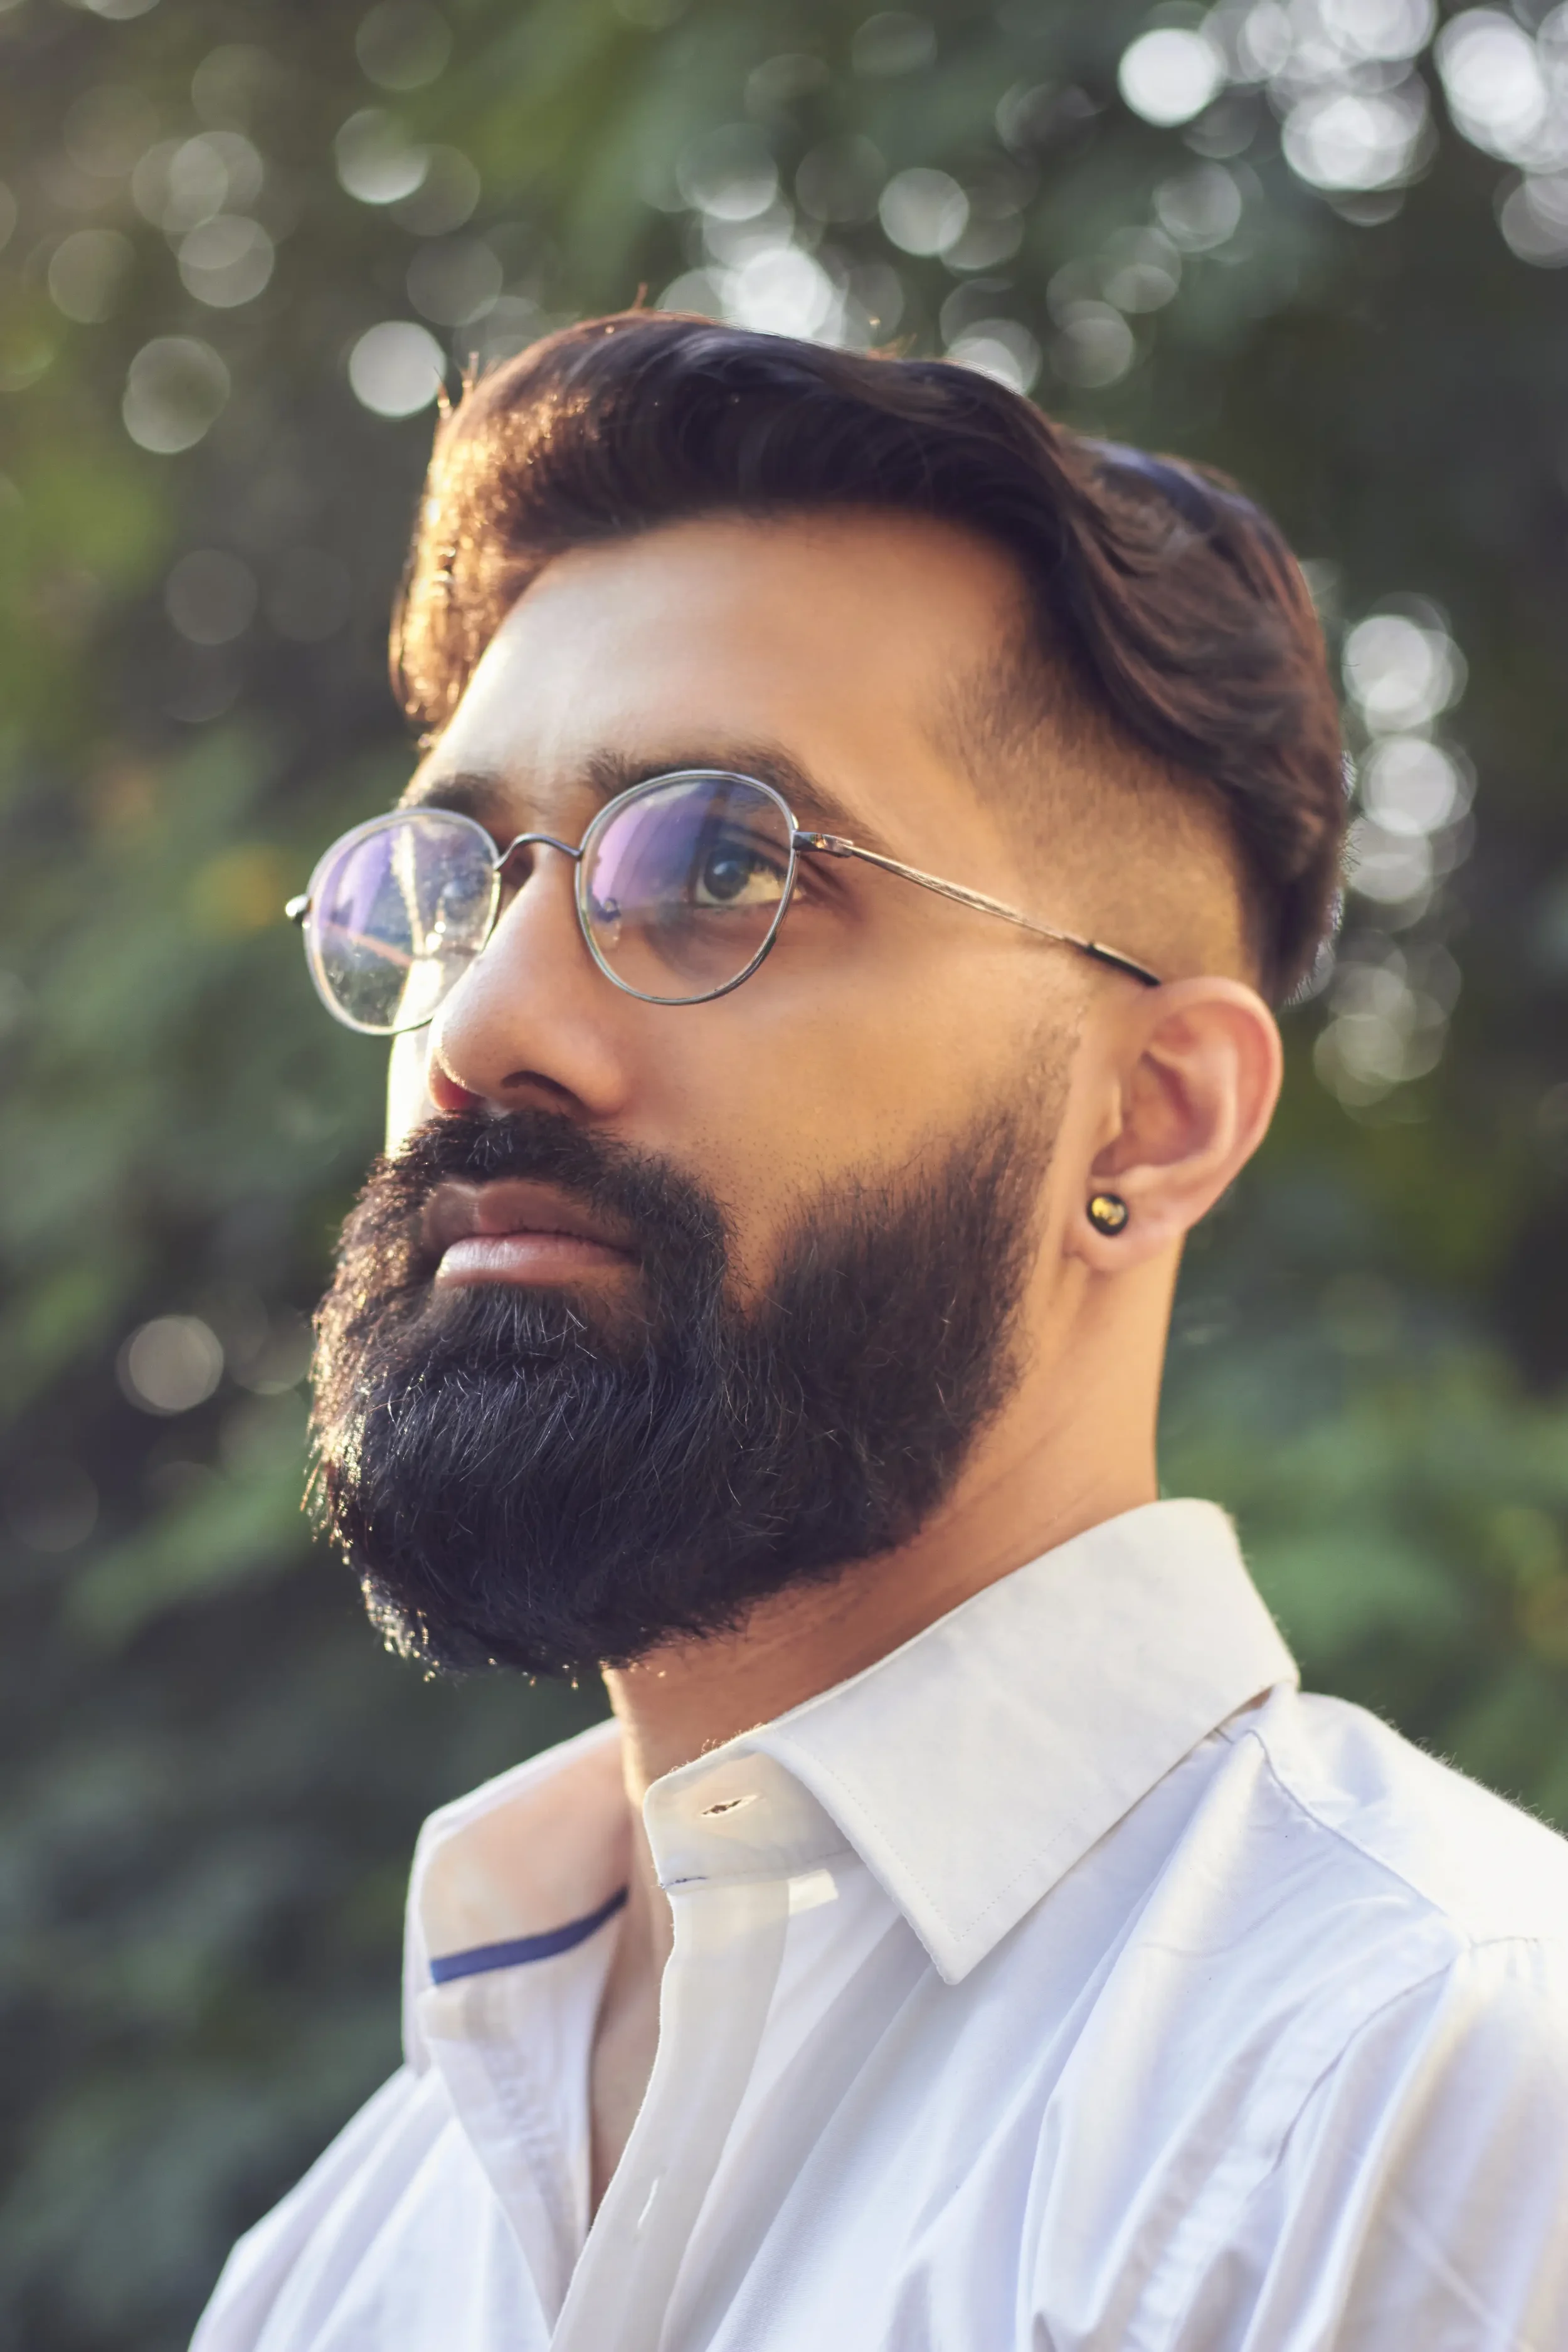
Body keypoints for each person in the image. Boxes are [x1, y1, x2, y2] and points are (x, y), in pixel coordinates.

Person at [193, 315, 1568, 2352]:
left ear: (1153, 1115)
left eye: (719, 860)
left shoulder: (1434, 2109)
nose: (477, 1029)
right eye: (463, 882)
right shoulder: (338, 2265)